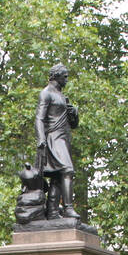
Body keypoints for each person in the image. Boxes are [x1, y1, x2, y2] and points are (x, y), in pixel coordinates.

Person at [35, 63, 80, 220]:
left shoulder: (62, 96)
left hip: (64, 137)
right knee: (67, 170)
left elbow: (73, 124)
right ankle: (68, 208)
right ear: (56, 76)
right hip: (53, 138)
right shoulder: (46, 93)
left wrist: (74, 113)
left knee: (58, 176)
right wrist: (41, 139)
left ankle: (53, 212)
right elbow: (39, 118)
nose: (67, 79)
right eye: (65, 76)